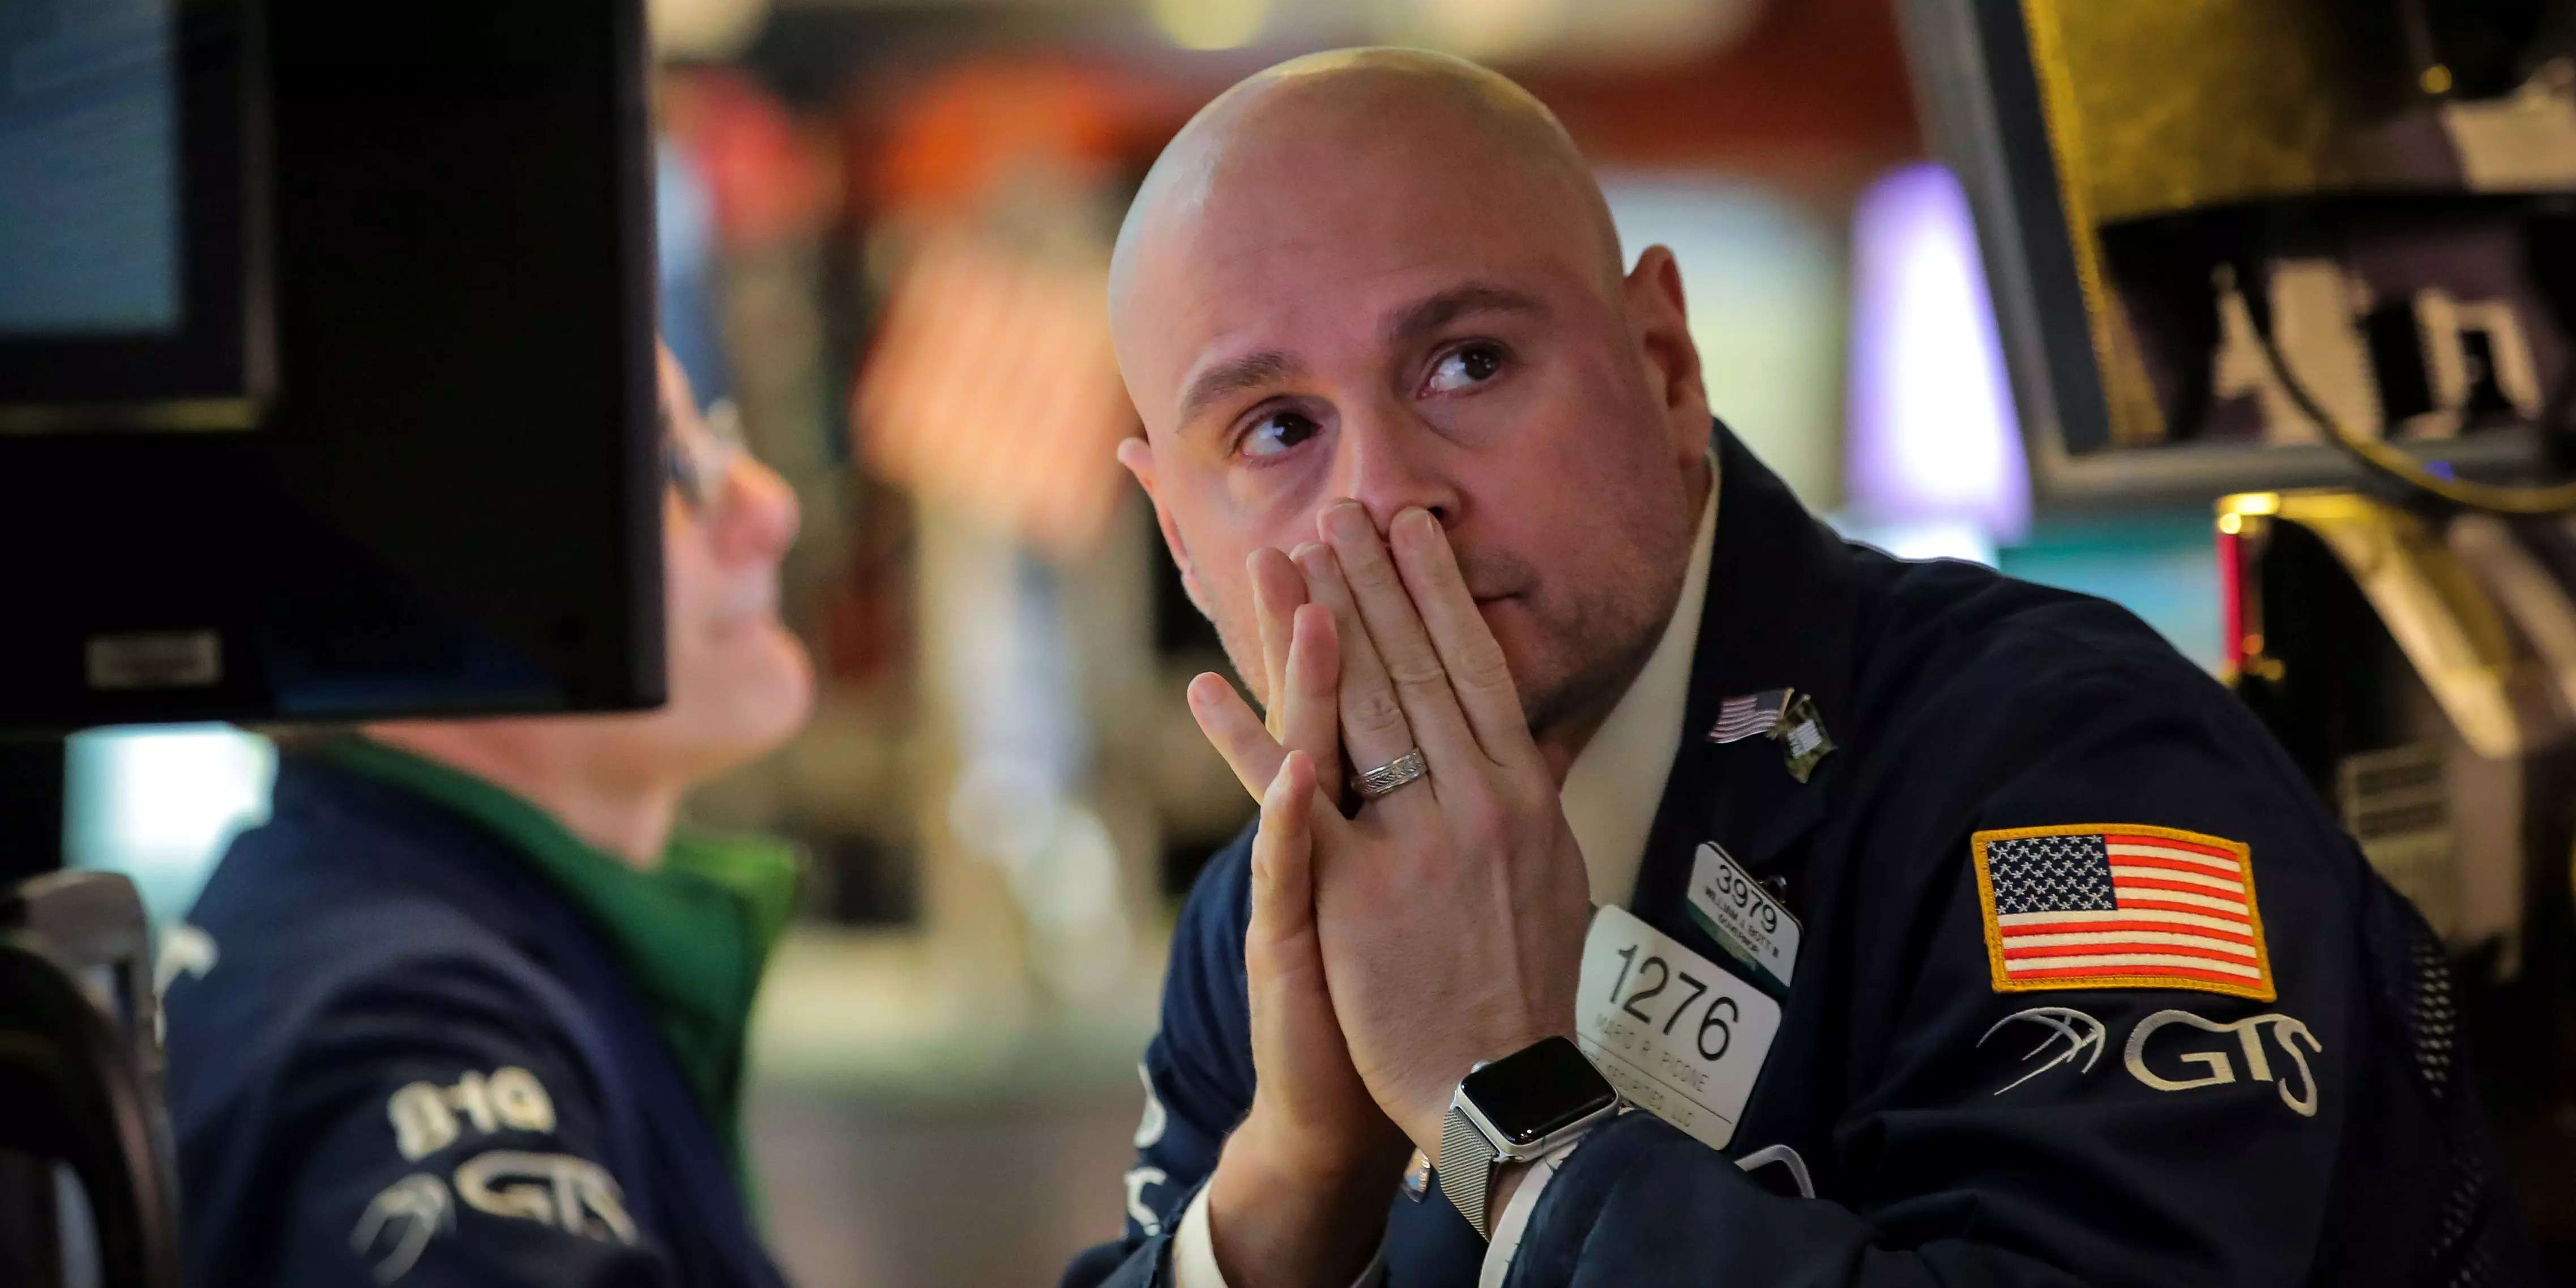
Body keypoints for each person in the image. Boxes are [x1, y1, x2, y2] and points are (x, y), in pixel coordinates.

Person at [1066, 48, 2539, 1288]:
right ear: (1179, 538)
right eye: (1272, 430)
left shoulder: (2060, 765)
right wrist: (1288, 1180)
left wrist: (1510, 1111)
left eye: (1465, 364)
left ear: (1662, 364)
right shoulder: (1279, 905)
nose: (1386, 495)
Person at [163, 346, 814, 1287]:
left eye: (720, 439)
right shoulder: (403, 1010)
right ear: (441, 570)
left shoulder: (413, 919)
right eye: (674, 471)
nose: (768, 508)